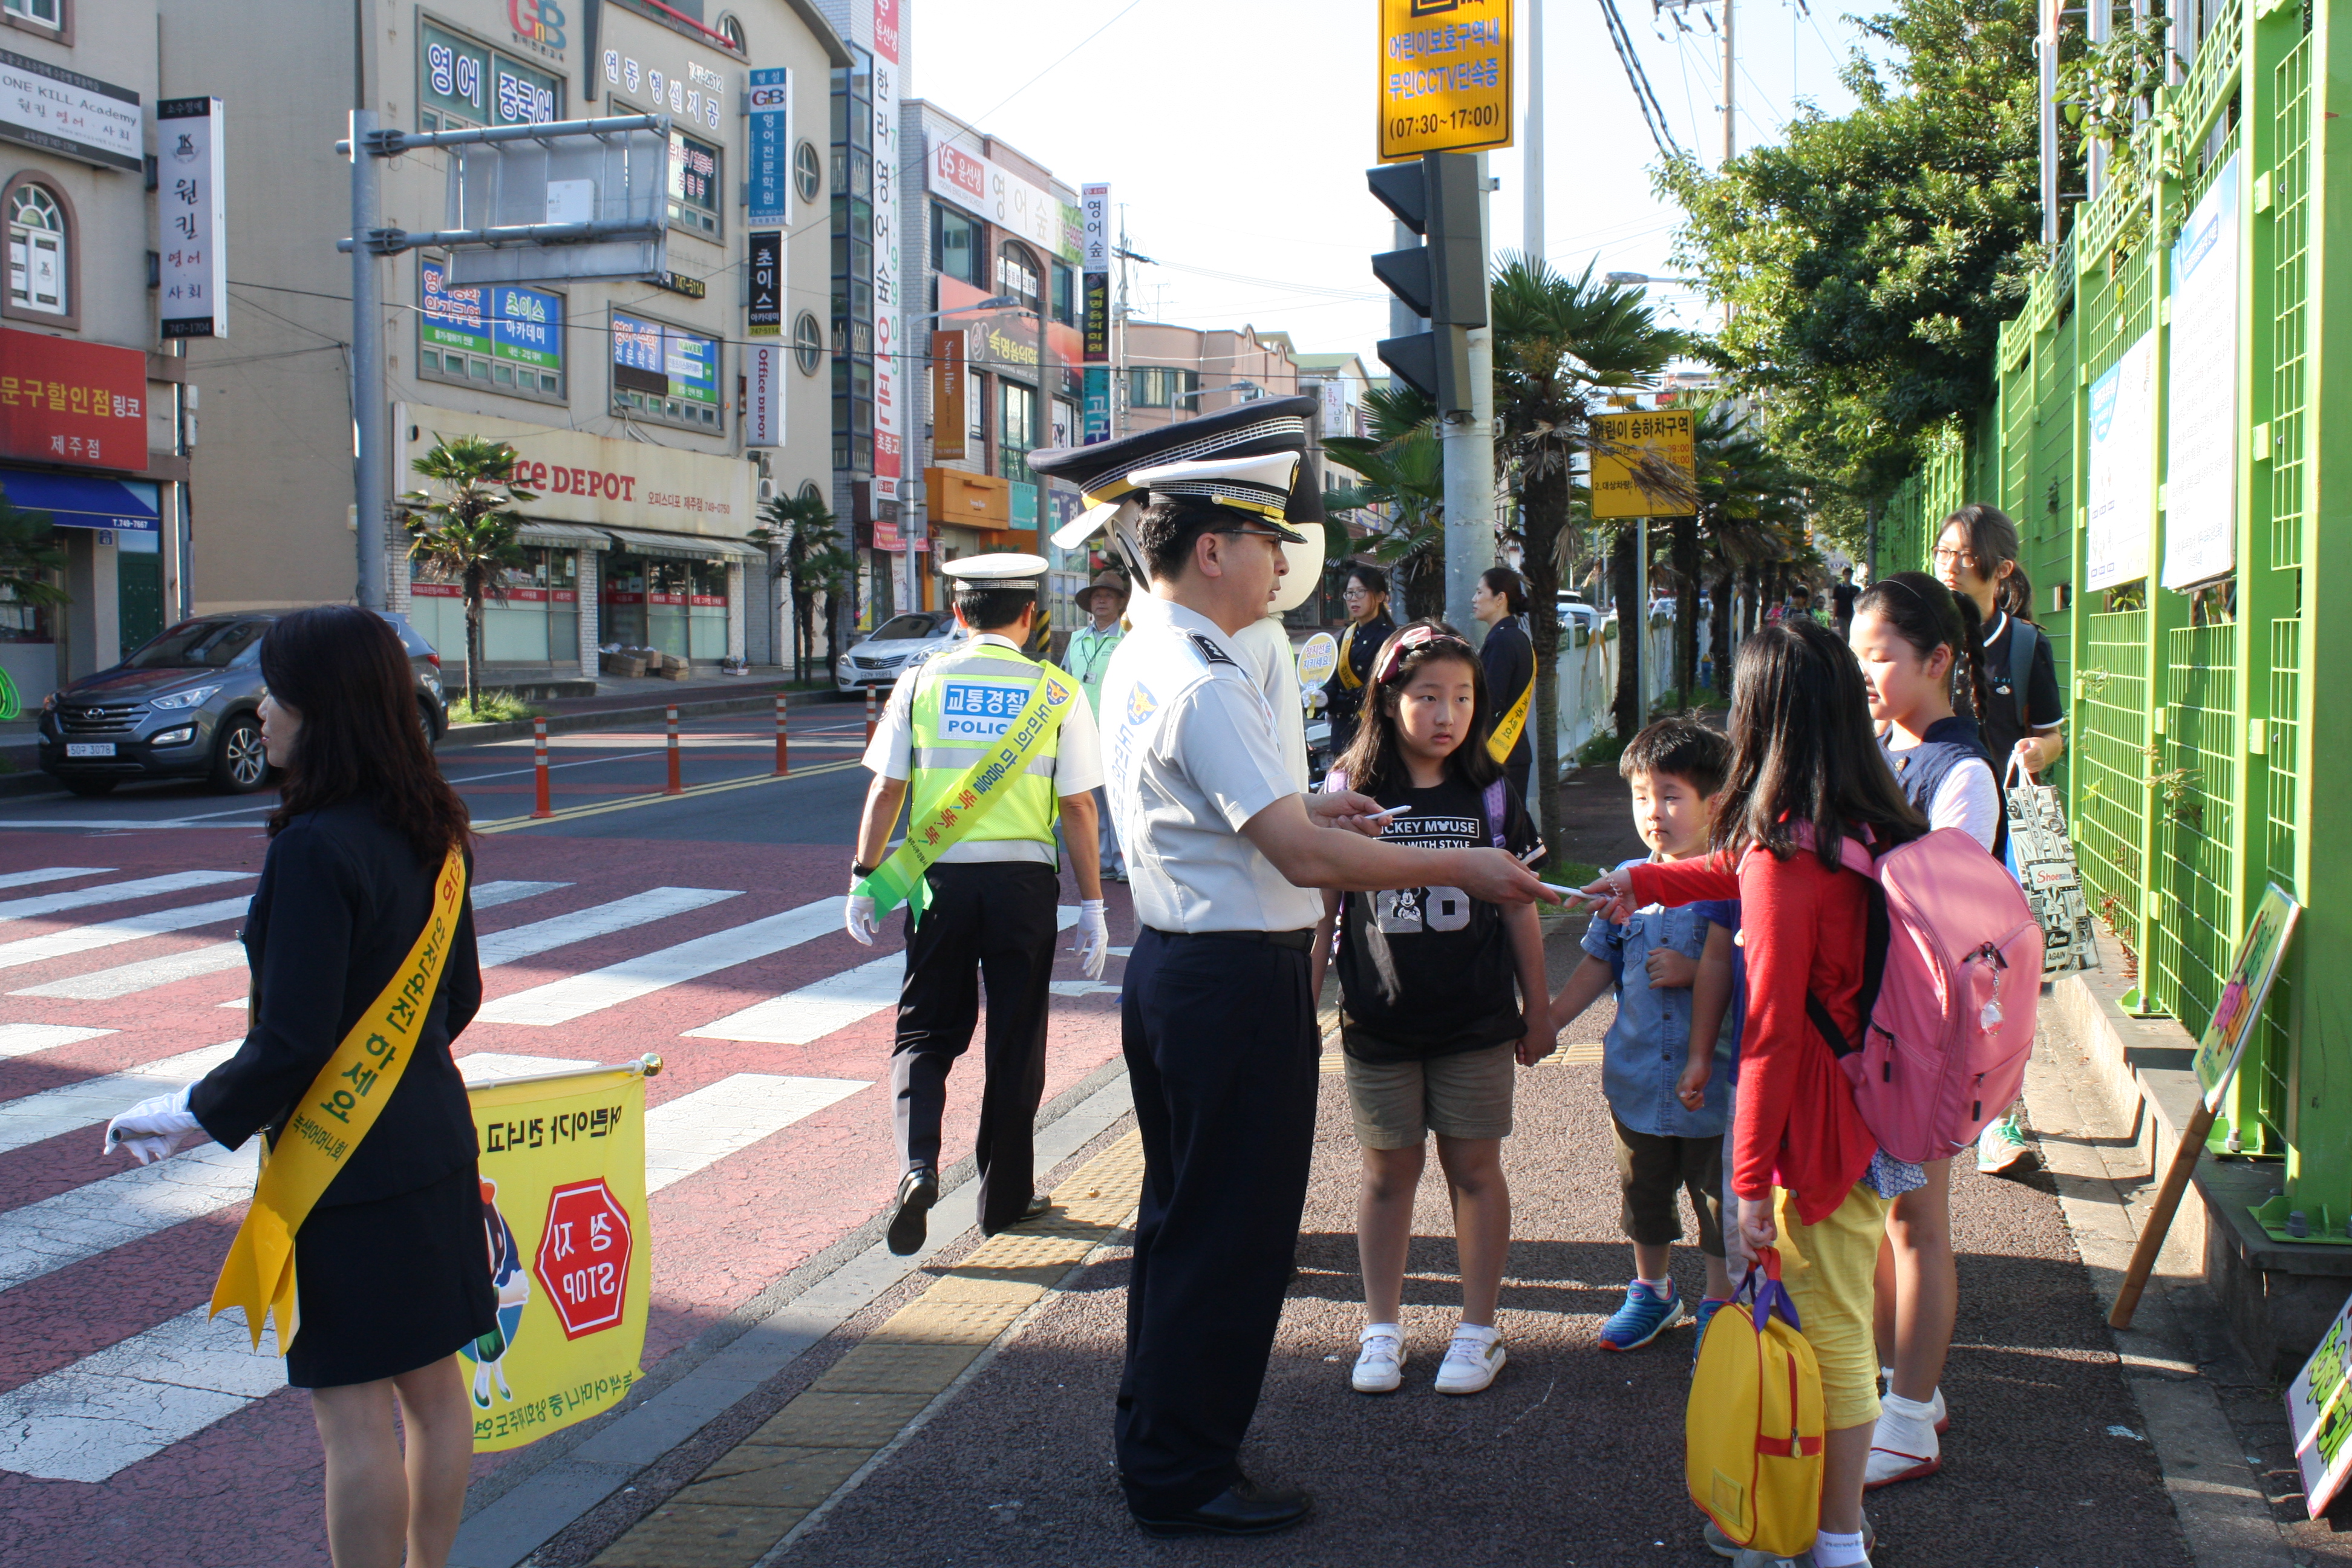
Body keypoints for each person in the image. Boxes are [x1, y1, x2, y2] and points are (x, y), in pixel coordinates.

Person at [1028, 397, 1554, 1539]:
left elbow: (1247, 817)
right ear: (1210, 548)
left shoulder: (1147, 653)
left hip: (1187, 969)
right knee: (1229, 1231)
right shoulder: (1206, 678)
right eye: (1266, 540)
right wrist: (1466, 864)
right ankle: (1183, 1473)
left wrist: (1312, 801)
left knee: (1182, 1218)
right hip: (1228, 984)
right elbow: (1297, 853)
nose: (1280, 563)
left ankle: (1161, 1436)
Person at [101, 606, 488, 1568]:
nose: (263, 709)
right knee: (437, 1398)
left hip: (343, 1169)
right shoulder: (434, 823)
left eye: (278, 690)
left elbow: (292, 1042)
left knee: (354, 1420)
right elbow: (462, 995)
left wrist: (192, 1114)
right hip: (433, 1146)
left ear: (326, 709)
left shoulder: (316, 847)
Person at [1581, 619, 1926, 1568]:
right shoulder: (1857, 820)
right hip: (1865, 1102)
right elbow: (1732, 867)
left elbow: (1769, 1034)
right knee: (1829, 1317)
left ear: (1762, 717)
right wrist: (1641, 878)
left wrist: (1743, 1185)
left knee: (1832, 1333)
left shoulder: (1785, 857)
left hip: (1812, 1129)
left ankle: (1834, 1539)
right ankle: (1818, 1522)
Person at [1307, 621, 1550, 1399]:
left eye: (1464, 697)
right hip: (1378, 1021)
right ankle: (1382, 1327)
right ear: (1388, 698)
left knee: (1475, 1170)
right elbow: (1324, 912)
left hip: (1477, 1021)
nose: (1447, 714)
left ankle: (1479, 1330)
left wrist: (1537, 1012)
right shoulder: (1347, 794)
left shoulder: (1493, 792)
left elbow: (1520, 910)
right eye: (1428, 696)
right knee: (1387, 1174)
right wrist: (1300, 1010)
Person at [845, 555, 1111, 1255]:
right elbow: (1079, 808)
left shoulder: (920, 683)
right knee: (1016, 1040)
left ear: (959, 614)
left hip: (942, 886)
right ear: (1030, 617)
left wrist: (864, 877)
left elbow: (887, 791)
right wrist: (1094, 906)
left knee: (924, 1033)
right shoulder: (1059, 691)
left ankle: (918, 1168)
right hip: (1024, 888)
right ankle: (1004, 1200)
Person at [1847, 570, 2001, 1494]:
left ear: (1938, 660)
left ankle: (1910, 1413)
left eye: (1882, 659)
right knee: (1880, 1218)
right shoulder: (1883, 748)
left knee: (1918, 1222)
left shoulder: (1963, 770)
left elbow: (1951, 910)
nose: (1868, 676)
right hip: (1881, 1023)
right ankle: (1902, 1389)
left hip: (1928, 1032)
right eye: (1860, 659)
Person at [1548, 718, 1741, 1352]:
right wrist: (1549, 1021)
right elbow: (1598, 961)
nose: (1654, 812)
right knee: (1644, 1193)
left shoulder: (1735, 879)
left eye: (1671, 795)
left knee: (1719, 1200)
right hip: (1635, 1079)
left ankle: (1721, 1299)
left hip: (1713, 1081)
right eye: (1641, 796)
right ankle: (1652, 1291)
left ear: (1715, 802)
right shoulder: (1628, 877)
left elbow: (1757, 971)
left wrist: (1695, 972)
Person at [1930, 501, 2062, 1174]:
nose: (1948, 563)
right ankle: (1930, 1097)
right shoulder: (1918, 631)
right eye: (1941, 550)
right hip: (1930, 839)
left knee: (2002, 982)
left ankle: (1999, 1123)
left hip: (2003, 841)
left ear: (1999, 568)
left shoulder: (2027, 645)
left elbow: (2050, 733)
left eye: (1961, 553)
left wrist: (2040, 753)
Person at [1063, 567, 1131, 882]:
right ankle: (1103, 861)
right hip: (1081, 732)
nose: (1102, 601)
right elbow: (1064, 680)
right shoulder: (1076, 639)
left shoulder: (1129, 640)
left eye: (1109, 596)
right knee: (1091, 803)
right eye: (1097, 596)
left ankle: (1123, 863)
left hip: (1116, 732)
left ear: (1120, 604)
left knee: (1118, 800)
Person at [1470, 566, 1536, 805]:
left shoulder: (1503, 640)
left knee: (1500, 832)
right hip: (1511, 751)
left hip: (1501, 750)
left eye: (1480, 592)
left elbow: (1492, 698)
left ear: (1500, 598)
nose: (1474, 599)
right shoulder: (1513, 636)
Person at [1327, 563, 1395, 756]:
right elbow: (1334, 677)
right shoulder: (1347, 634)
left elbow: (1379, 689)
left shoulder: (1388, 637)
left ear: (1381, 597)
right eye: (1349, 593)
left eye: (1361, 592)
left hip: (1370, 731)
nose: (1353, 599)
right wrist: (1322, 697)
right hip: (1342, 732)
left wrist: (1335, 702)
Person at [1833, 566, 1861, 638]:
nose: (1848, 576)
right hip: (1841, 614)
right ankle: (1844, 648)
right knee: (1844, 635)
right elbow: (1836, 602)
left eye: (1850, 574)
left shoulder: (1856, 589)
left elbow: (1859, 602)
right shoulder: (1838, 588)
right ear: (1843, 576)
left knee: (1852, 634)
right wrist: (1834, 617)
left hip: (1852, 614)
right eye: (1846, 574)